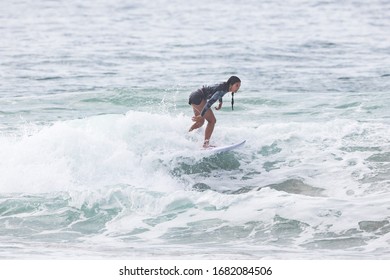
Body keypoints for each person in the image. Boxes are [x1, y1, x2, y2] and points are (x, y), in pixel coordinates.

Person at [188, 76, 241, 148]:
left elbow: (218, 92)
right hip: (198, 98)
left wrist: (220, 102)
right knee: (212, 121)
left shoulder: (224, 86)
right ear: (231, 84)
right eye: (237, 85)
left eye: (239, 86)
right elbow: (209, 102)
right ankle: (205, 145)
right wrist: (202, 115)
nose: (238, 88)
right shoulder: (223, 89)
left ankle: (186, 136)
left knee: (200, 122)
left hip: (194, 95)